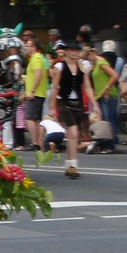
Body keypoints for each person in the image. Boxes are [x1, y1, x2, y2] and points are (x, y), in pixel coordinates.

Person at [48, 40, 90, 179]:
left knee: (74, 135)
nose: (74, 53)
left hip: (77, 102)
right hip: (64, 102)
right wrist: (52, 107)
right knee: (72, 131)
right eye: (71, 50)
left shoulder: (82, 67)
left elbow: (87, 87)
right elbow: (54, 87)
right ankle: (73, 165)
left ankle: (69, 164)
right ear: (65, 51)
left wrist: (95, 104)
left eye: (76, 51)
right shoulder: (59, 66)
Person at [22, 36, 49, 154]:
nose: (26, 48)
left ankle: (34, 142)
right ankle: (38, 142)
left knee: (29, 118)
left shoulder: (36, 59)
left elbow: (38, 75)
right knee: (36, 119)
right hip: (38, 92)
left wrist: (32, 90)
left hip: (35, 93)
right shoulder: (37, 58)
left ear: (34, 47)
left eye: (28, 46)